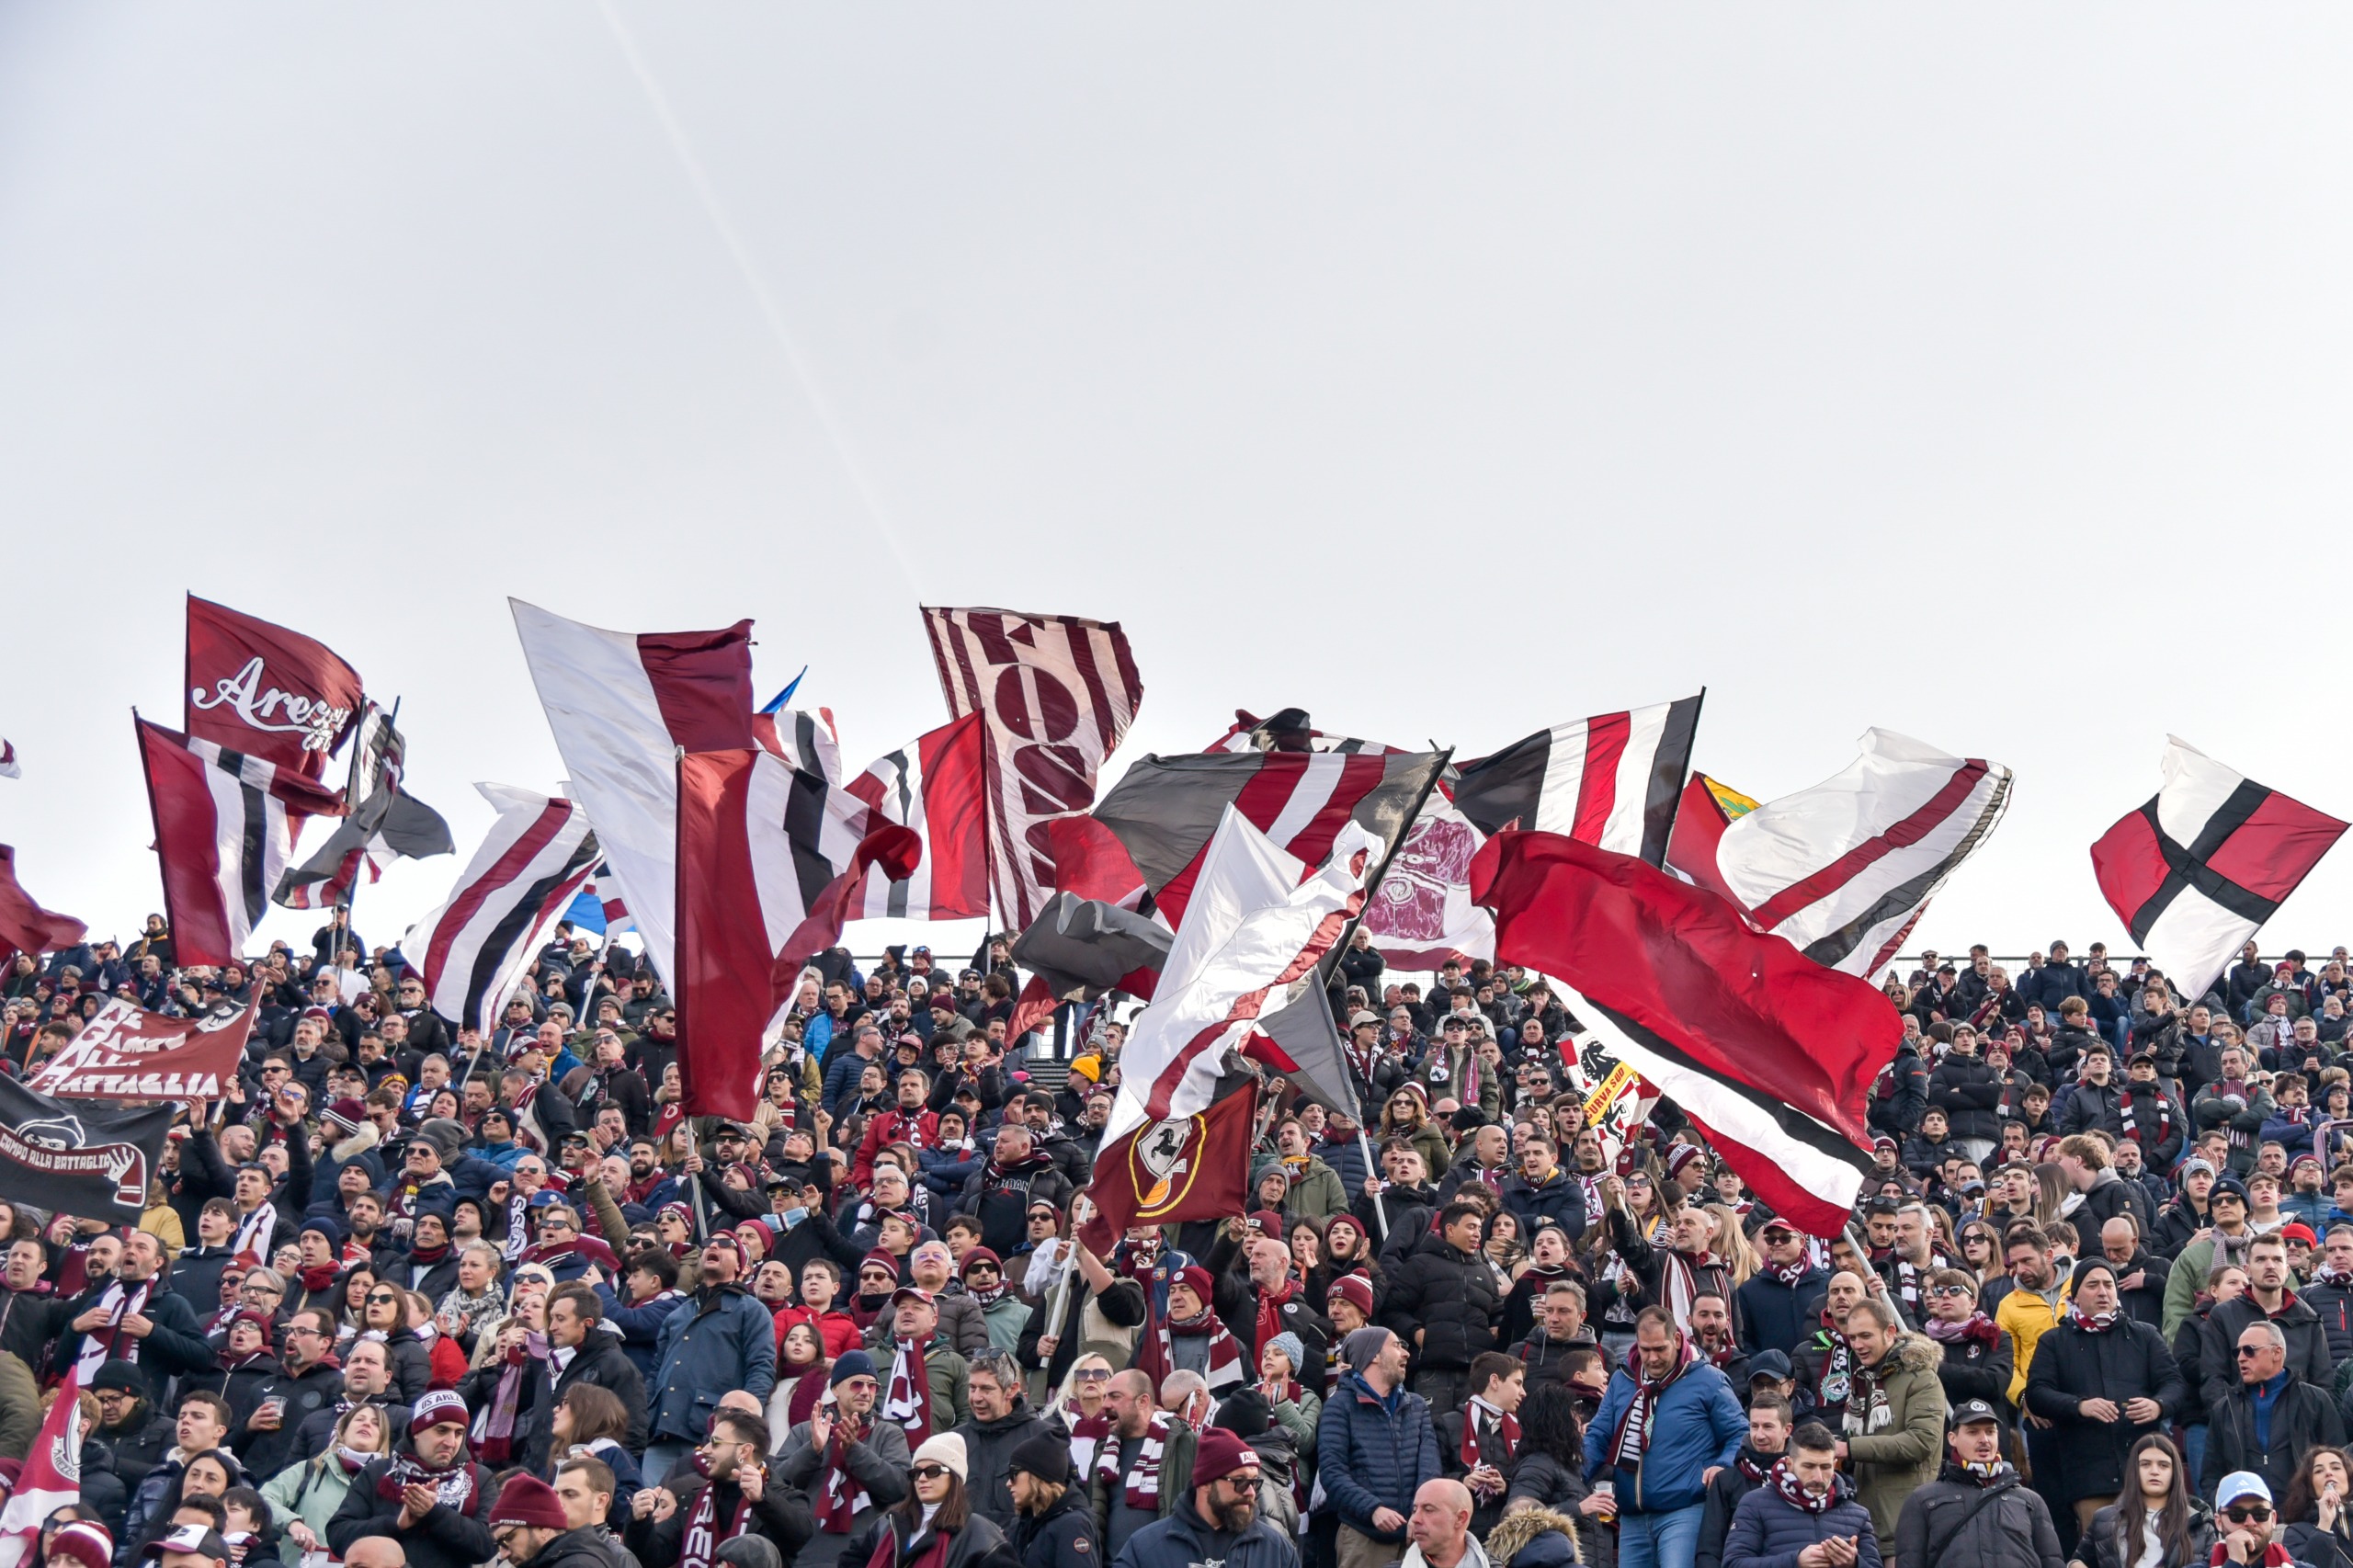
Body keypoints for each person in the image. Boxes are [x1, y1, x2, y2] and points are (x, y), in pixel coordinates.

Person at [2021, 1259, 2188, 1547]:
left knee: (2153, 1549)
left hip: (2144, 1467)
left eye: (2108, 1284)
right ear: (2074, 1296)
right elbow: (2036, 1393)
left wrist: (2158, 1405)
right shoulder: (2054, 1341)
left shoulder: (2145, 1335)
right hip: (2088, 1473)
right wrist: (2079, 1406)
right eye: (2093, 1285)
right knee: (2103, 1551)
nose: (2102, 1291)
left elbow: (2175, 1383)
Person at [1584, 1305, 1746, 1568]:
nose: (1653, 1358)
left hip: (1684, 1509)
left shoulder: (1709, 1380)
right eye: (1645, 1349)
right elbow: (1599, 1435)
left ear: (1677, 1339)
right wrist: (1575, 1475)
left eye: (1660, 1349)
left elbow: (1740, 1432)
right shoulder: (1622, 1380)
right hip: (1632, 1516)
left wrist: (1723, 1465)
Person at [643, 1233, 778, 1484]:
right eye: (708, 1243)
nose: (713, 1246)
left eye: (726, 1244)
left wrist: (744, 1426)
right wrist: (646, 1417)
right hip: (661, 1434)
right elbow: (656, 1372)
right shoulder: (678, 1314)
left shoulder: (752, 1310)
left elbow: (761, 1369)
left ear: (741, 1266)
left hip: (712, 1437)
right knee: (650, 1505)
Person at [324, 1391, 497, 1568]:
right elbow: (338, 1535)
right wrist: (395, 1525)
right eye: (441, 1430)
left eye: (459, 1433)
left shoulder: (479, 1477)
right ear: (417, 1431)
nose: (451, 1442)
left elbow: (488, 1545)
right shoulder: (378, 1472)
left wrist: (434, 1513)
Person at [774, 1349, 913, 1567]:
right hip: (807, 1552)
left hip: (865, 1552)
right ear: (835, 1389)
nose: (866, 1392)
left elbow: (901, 1488)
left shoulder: (888, 1433)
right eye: (857, 1384)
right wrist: (813, 1449)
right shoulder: (806, 1431)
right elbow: (776, 1486)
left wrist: (855, 1451)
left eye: (872, 1386)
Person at [624, 1408, 814, 1568]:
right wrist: (639, 1521)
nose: (705, 1450)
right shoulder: (691, 1500)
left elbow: (801, 1535)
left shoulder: (782, 1496)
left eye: (715, 1443)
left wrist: (762, 1499)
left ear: (744, 1451)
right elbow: (653, 1558)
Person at [1317, 1327, 1438, 1568]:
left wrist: (1421, 1513)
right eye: (1396, 1346)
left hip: (1417, 1536)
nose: (1406, 1354)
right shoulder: (1339, 1406)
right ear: (1373, 1355)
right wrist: (1373, 1509)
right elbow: (1332, 1474)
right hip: (1364, 1538)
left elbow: (1430, 1467)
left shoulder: (1417, 1405)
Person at [1891, 1399, 2062, 1568]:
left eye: (1990, 1432)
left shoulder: (2031, 1501)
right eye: (1973, 1432)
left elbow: (2052, 1561)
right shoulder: (1922, 1500)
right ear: (1952, 1438)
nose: (1984, 1439)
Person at [1836, 1297, 1948, 1545]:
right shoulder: (1865, 1378)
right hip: (1869, 1521)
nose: (1858, 1345)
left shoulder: (1921, 1378)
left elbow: (1920, 1442)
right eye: (1852, 1338)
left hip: (1904, 1524)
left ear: (1890, 1332)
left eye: (1866, 1336)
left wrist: (1849, 1448)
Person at [1111, 1426, 1298, 1568]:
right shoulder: (1145, 1548)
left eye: (1254, 1482)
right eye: (1240, 1481)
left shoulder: (1277, 1550)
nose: (1251, 1492)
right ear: (1205, 1483)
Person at [2203, 1319, 2347, 1500]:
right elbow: (2211, 1476)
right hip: (2246, 1514)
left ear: (2276, 1353)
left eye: (2249, 1350)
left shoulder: (2315, 1400)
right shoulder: (2224, 1409)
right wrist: (2227, 1509)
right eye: (2237, 1352)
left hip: (2306, 1512)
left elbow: (2339, 1462)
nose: (2240, 1358)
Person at [1720, 1421, 1881, 1568]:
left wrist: (1854, 1564)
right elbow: (1733, 1564)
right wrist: (1794, 1561)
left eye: (1825, 1467)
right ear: (1790, 1464)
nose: (1818, 1478)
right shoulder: (1755, 1504)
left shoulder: (1858, 1514)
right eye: (1808, 1466)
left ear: (1834, 1465)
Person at [843, 1432, 1016, 1568]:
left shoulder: (979, 1532)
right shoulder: (888, 1523)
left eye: (933, 1471)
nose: (922, 1479)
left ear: (954, 1477)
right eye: (916, 1472)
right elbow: (851, 1559)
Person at [2072, 1433, 2215, 1568]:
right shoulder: (2104, 1520)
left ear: (2174, 1472)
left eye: (2163, 1465)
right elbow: (2076, 1562)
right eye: (2145, 1464)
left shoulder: (2200, 1523)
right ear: (2134, 1470)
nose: (2154, 1471)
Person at [953, 1349, 1055, 1531]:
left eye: (986, 1389)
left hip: (1020, 1544)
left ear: (1012, 1390)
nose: (976, 1398)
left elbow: (1064, 1503)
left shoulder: (1043, 1438)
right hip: (963, 1544)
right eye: (972, 1388)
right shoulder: (954, 1440)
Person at [1697, 1393, 1792, 1568]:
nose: (1759, 1435)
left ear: (1787, 1430)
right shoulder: (1726, 1481)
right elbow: (1709, 1548)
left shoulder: (1801, 1477)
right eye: (1754, 1426)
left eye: (1768, 1427)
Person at [1006, 1433, 1099, 1568]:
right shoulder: (1023, 1524)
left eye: (1013, 1473)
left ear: (1037, 1475)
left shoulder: (1072, 1525)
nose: (1008, 1483)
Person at [483, 1473, 613, 1568]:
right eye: (498, 1544)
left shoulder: (577, 1564)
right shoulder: (565, 1560)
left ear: (543, 1528)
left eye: (507, 1539)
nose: (502, 1555)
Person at [2279, 1445, 2353, 1568]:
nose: (2329, 1473)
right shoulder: (2297, 1532)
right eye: (2319, 1471)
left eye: (2336, 1468)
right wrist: (2324, 1525)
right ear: (2309, 1485)